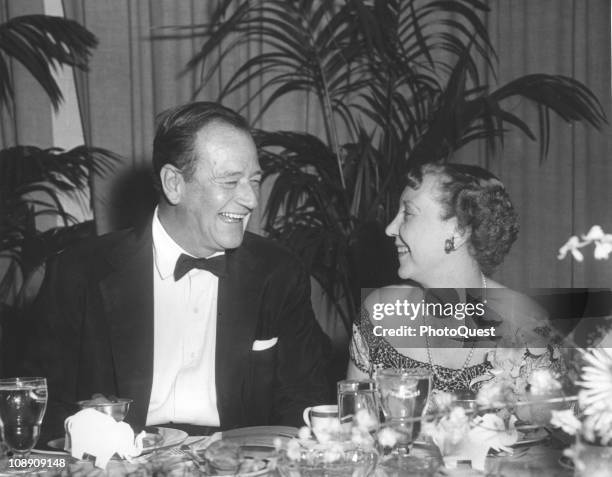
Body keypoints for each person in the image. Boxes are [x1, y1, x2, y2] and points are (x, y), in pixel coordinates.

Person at [22, 102, 331, 441]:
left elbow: (305, 396)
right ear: (173, 184)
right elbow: (38, 403)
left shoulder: (278, 271)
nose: (251, 200)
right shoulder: (79, 272)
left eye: (254, 180)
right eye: (230, 182)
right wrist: (85, 431)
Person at [347, 163, 563, 393]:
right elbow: (352, 423)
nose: (390, 228)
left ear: (459, 231)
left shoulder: (527, 326)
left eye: (407, 213)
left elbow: (553, 426)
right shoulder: (380, 313)